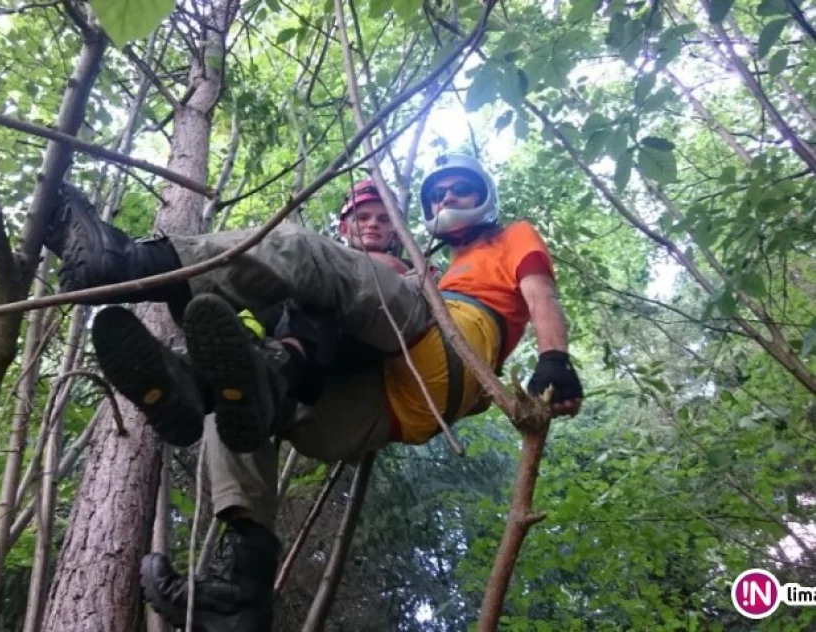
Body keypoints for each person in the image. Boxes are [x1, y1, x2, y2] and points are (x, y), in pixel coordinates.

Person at [44, 154, 583, 630]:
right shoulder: (429, 269)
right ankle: (243, 587)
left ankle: (127, 262)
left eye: (458, 189)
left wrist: (553, 359)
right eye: (436, 192)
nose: (445, 198)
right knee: (240, 407)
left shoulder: (505, 238)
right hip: (389, 409)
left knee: (302, 250)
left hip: (451, 343)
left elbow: (541, 292)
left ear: (484, 196)